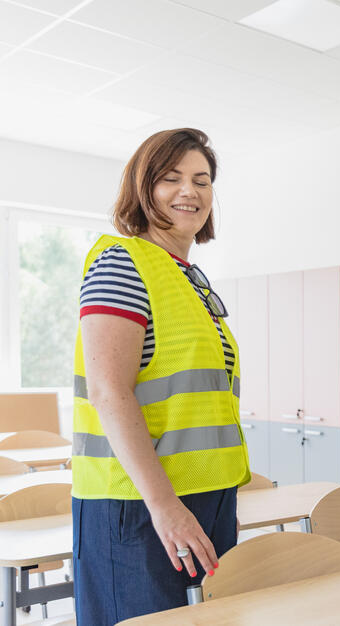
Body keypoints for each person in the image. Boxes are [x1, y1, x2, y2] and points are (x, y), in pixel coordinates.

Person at [72, 128, 250, 625]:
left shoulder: (188, 276)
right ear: (142, 187)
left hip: (202, 498)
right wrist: (165, 504)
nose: (189, 191)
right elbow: (109, 391)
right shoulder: (123, 263)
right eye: (171, 178)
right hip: (137, 501)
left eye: (202, 180)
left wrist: (217, 496)